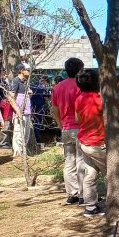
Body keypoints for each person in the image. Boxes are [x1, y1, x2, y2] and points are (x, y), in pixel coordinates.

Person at [51, 58, 86, 204]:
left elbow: (54, 110)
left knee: (69, 161)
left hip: (66, 128)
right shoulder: (81, 86)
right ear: (79, 70)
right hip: (81, 128)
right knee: (82, 161)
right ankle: (84, 194)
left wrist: (61, 125)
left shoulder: (57, 87)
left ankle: (72, 194)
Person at [74, 69, 105, 217]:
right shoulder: (99, 99)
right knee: (111, 174)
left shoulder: (79, 98)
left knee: (90, 174)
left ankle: (90, 207)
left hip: (84, 143)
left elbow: (78, 119)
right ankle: (117, 203)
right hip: (97, 143)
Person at [8, 63, 33, 157]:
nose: (29, 71)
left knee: (26, 133)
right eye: (27, 69)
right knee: (19, 133)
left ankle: (24, 153)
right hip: (20, 113)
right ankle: (18, 154)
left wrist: (29, 93)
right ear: (21, 70)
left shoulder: (26, 81)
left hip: (27, 112)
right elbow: (10, 98)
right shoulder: (15, 81)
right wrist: (18, 111)